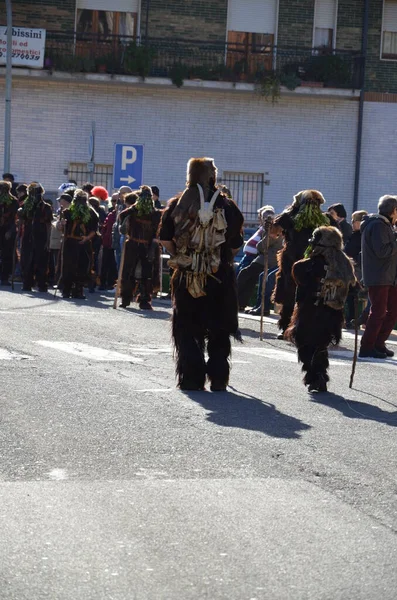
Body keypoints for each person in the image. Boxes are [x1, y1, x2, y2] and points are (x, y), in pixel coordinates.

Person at [159, 157, 244, 391]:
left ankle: (192, 378)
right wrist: (220, 254)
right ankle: (218, 378)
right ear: (212, 176)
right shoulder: (228, 206)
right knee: (219, 327)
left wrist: (183, 254)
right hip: (220, 275)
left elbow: (165, 238)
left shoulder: (177, 203)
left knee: (187, 326)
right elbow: (237, 244)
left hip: (187, 275)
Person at [286, 226, 356, 392]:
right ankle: (319, 374)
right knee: (320, 345)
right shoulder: (345, 264)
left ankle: (316, 375)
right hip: (334, 314)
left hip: (311, 311)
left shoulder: (308, 265)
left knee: (305, 343)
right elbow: (354, 287)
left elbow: (300, 278)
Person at [273, 189, 329, 338]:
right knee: (294, 293)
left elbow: (274, 231)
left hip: (308, 261)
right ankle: (288, 326)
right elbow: (274, 231)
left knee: (302, 293)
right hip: (299, 262)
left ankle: (298, 326)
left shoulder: (323, 220)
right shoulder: (292, 217)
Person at [358, 195, 397, 359]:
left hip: (389, 276)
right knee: (378, 312)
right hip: (379, 276)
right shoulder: (378, 226)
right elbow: (383, 251)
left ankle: (378, 343)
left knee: (392, 312)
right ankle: (367, 347)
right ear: (393, 211)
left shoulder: (384, 225)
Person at [119, 186, 161, 310]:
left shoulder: (155, 214)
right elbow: (122, 217)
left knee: (147, 273)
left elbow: (159, 229)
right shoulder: (133, 210)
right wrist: (134, 207)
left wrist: (154, 243)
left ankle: (144, 300)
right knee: (128, 271)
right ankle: (126, 298)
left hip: (147, 246)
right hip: (132, 244)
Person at [237, 206, 282, 311]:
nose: (266, 219)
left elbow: (262, 246)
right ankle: (241, 303)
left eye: (268, 216)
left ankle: (242, 303)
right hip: (261, 259)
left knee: (246, 275)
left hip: (266, 260)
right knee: (249, 277)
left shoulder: (274, 229)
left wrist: (264, 238)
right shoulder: (268, 228)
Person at [59, 189, 99, 299]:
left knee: (83, 266)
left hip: (83, 244)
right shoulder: (67, 212)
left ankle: (78, 290)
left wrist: (86, 238)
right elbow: (60, 228)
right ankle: (66, 290)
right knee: (68, 266)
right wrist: (62, 224)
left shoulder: (91, 213)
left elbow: (94, 230)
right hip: (70, 242)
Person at [18, 182, 53, 292]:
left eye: (36, 192)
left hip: (41, 237)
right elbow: (21, 221)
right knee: (27, 260)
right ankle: (27, 283)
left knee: (41, 261)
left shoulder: (46, 207)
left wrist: (48, 241)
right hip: (28, 237)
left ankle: (42, 284)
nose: (34, 195)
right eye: (32, 192)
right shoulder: (25, 205)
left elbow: (48, 225)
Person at [344, 210, 368, 328]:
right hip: (351, 268)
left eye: (354, 221)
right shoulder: (354, 235)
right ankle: (351, 319)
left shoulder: (362, 235)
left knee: (353, 293)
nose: (352, 223)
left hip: (358, 269)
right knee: (350, 294)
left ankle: (354, 319)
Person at [0, 180, 19, 285]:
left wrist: (10, 231)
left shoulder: (13, 201)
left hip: (8, 230)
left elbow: (15, 219)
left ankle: (4, 277)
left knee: (7, 255)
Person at [99, 207, 117, 290]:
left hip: (115, 244)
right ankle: (103, 283)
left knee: (113, 265)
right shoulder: (110, 215)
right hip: (107, 242)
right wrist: (103, 236)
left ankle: (111, 283)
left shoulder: (120, 214)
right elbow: (105, 227)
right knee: (105, 263)